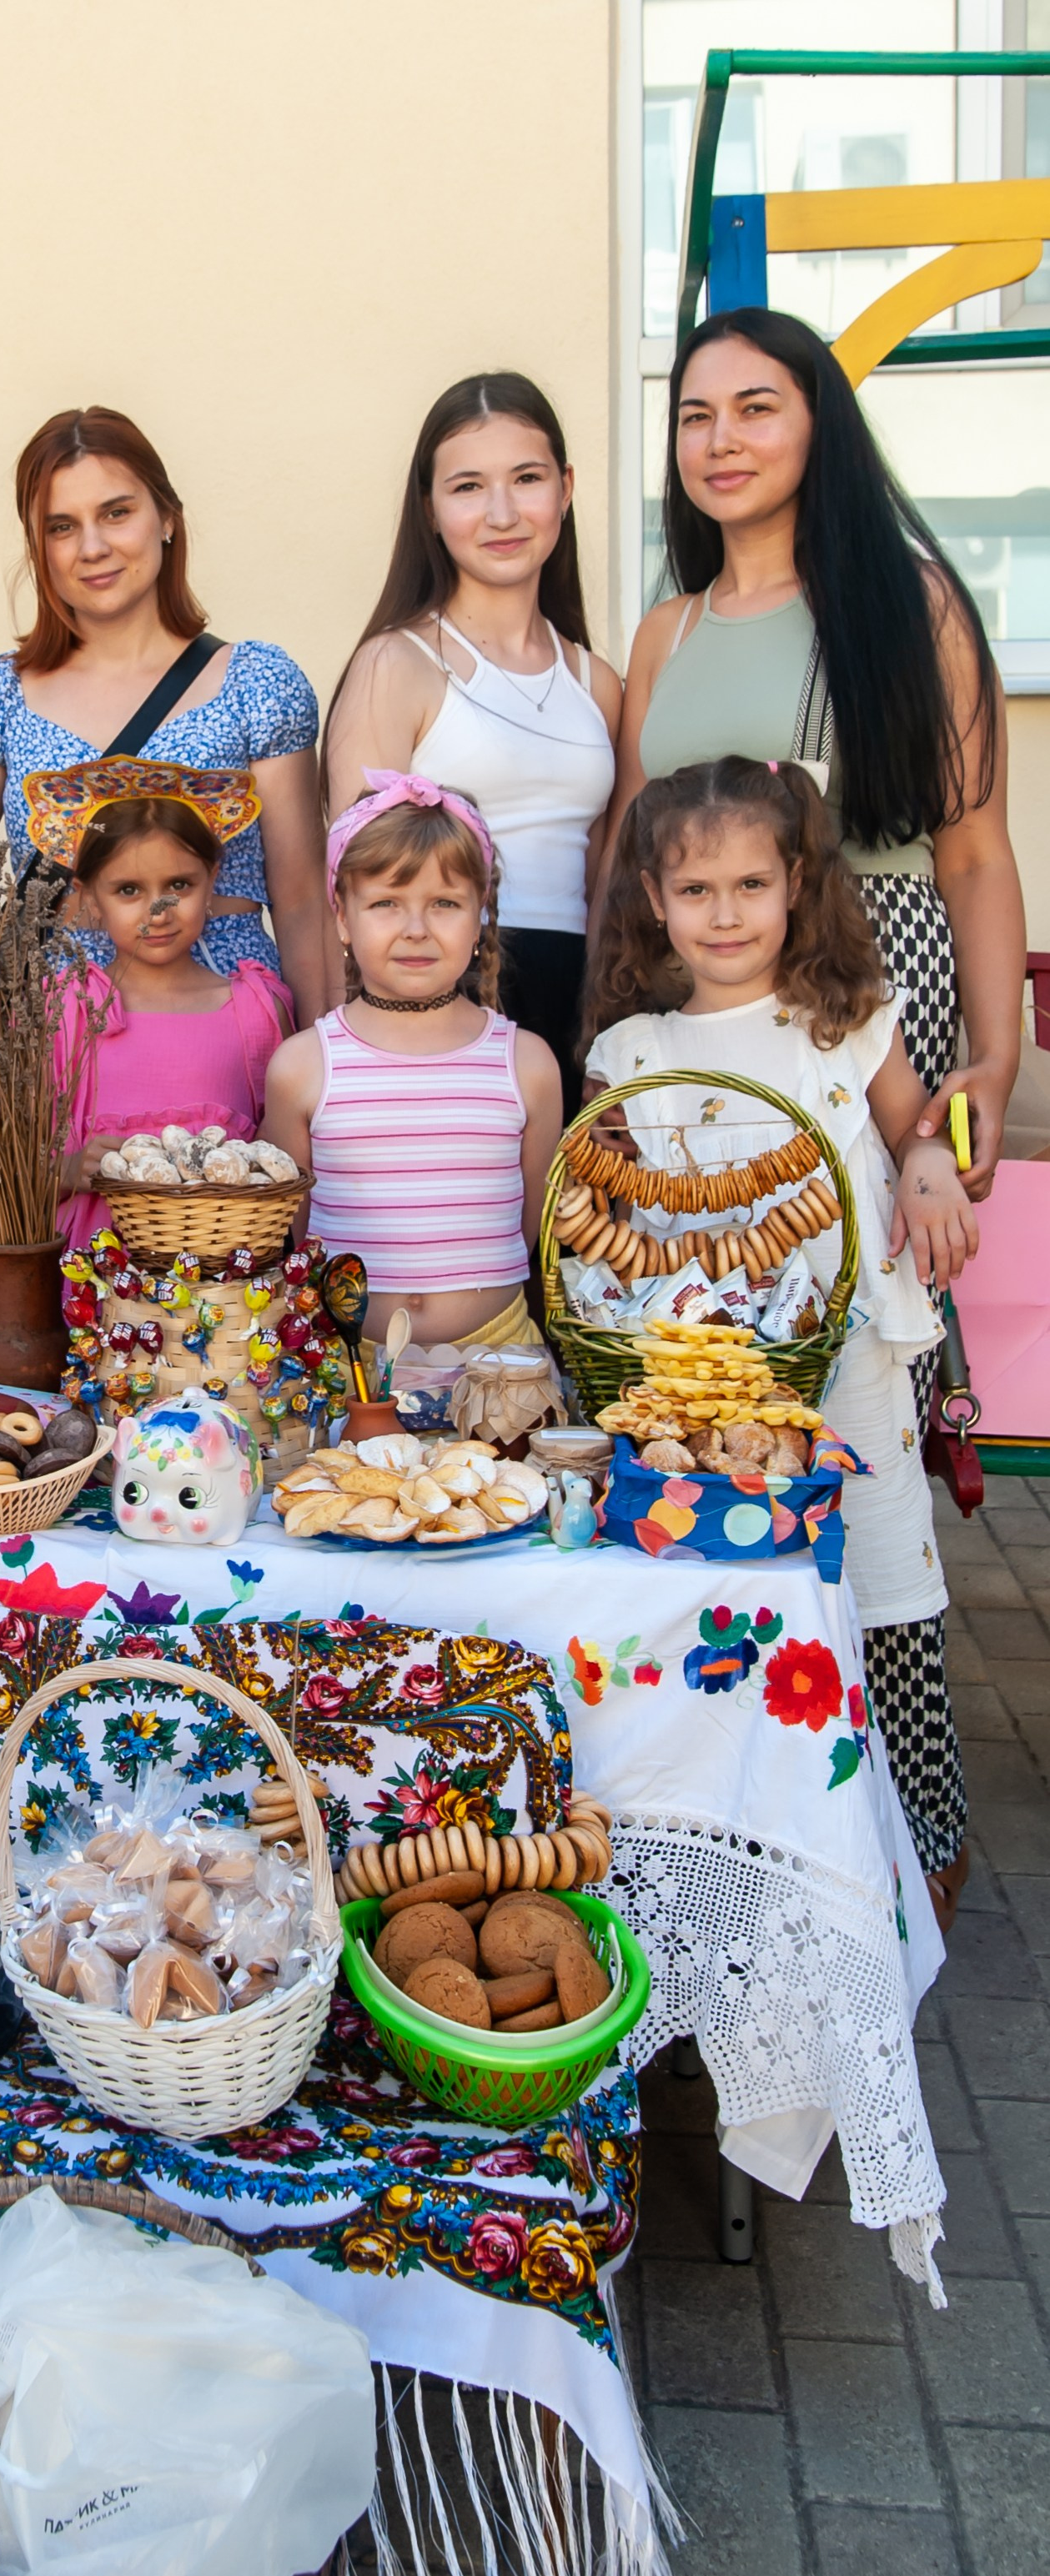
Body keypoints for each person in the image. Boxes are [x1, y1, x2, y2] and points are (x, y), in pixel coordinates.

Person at [585, 756, 976, 1922]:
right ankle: (744, 1839)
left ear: (794, 885)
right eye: (695, 890)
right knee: (733, 1583)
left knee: (880, 1576)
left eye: (749, 885)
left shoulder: (844, 1026)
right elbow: (615, 1205)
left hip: (843, 1356)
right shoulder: (633, 1051)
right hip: (709, 1383)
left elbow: (915, 1130)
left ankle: (919, 1842)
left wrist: (924, 1167)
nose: (723, 914)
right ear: (654, 900)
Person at [603, 304, 1025, 1196]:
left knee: (865, 1275)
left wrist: (993, 1059)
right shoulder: (662, 635)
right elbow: (624, 859)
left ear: (817, 425)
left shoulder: (914, 606)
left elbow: (976, 856)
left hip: (874, 976)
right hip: (698, 999)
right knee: (702, 1283)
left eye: (755, 408)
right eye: (694, 416)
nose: (720, 440)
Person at [0, 405, 331, 1022]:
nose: (92, 547)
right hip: (52, 1033)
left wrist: (323, 1065)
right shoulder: (1, 693)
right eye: (61, 527)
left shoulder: (255, 683)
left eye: (116, 512)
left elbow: (301, 902)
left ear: (166, 517)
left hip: (221, 1019)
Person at [323, 373, 620, 1117]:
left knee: (566, 1233)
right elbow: (353, 884)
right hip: (439, 998)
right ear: (429, 507)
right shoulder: (395, 665)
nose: (500, 512)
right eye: (466, 487)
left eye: (526, 478)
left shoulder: (601, 681)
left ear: (566, 488)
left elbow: (604, 874)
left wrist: (608, 1024)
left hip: (576, 1002)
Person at [263, 773, 562, 1346]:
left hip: (499, 1367)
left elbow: (528, 1230)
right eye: (385, 904)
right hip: (349, 1369)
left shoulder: (526, 1065)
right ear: (344, 918)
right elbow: (304, 1235)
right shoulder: (302, 1068)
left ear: (481, 914)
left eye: (445, 903)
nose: (416, 929)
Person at [23, 761, 294, 1248]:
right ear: (88, 899)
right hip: (95, 1283)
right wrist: (67, 1169)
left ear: (212, 880)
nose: (159, 910)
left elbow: (283, 1163)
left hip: (225, 1284)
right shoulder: (66, 1010)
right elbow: (10, 1161)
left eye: (179, 885)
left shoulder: (255, 1010)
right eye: (129, 890)